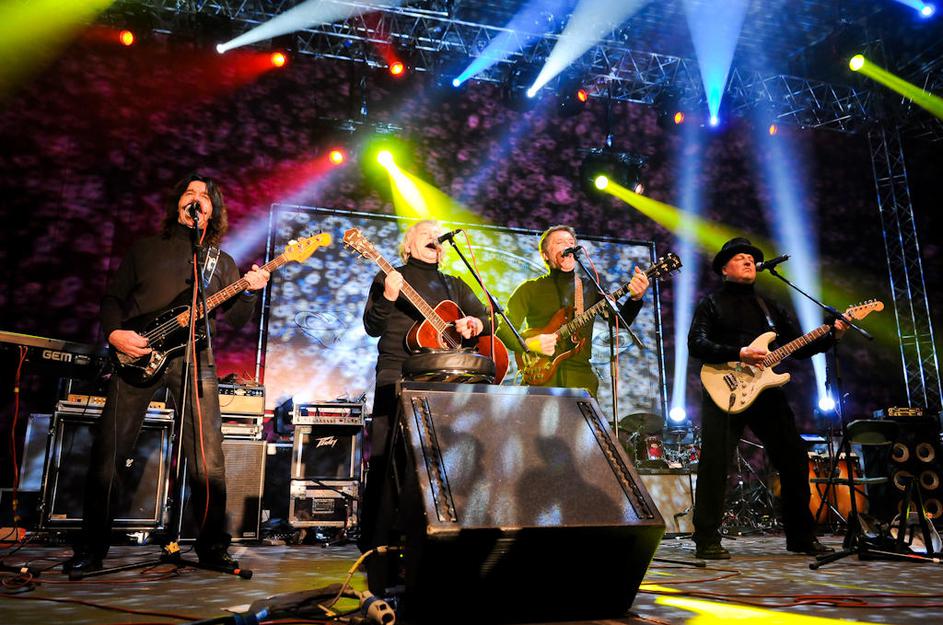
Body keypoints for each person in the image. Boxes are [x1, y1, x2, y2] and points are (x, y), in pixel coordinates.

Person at [64, 173, 270, 574]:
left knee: (209, 459)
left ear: (213, 210)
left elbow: (237, 319)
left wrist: (249, 290)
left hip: (196, 358)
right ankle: (90, 547)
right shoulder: (145, 249)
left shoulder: (221, 262)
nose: (196, 198)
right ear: (178, 203)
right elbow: (112, 298)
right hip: (137, 354)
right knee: (110, 451)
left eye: (204, 195)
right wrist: (114, 333)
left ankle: (212, 547)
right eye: (189, 192)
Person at [688, 237, 846, 559]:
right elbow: (697, 344)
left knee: (794, 457)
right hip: (725, 390)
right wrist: (739, 353)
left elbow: (799, 346)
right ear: (724, 269)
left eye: (750, 257)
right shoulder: (711, 304)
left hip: (766, 391)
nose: (748, 260)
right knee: (715, 463)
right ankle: (706, 539)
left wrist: (832, 335)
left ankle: (801, 537)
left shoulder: (769, 306)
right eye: (739, 257)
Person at [358, 220, 492, 553]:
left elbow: (490, 319)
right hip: (397, 373)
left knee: (443, 457)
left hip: (445, 379)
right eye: (424, 234)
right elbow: (372, 327)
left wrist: (475, 324)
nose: (433, 238)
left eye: (436, 235)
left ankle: (440, 533)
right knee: (387, 457)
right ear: (408, 246)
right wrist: (389, 296)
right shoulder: (390, 276)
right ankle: (377, 541)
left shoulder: (454, 285)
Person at [500, 225, 650, 397]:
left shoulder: (589, 286)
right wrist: (529, 344)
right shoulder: (529, 289)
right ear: (545, 254)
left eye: (571, 242)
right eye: (559, 242)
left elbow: (620, 321)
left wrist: (635, 299)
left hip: (580, 379)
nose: (567, 245)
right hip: (540, 377)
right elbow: (503, 330)